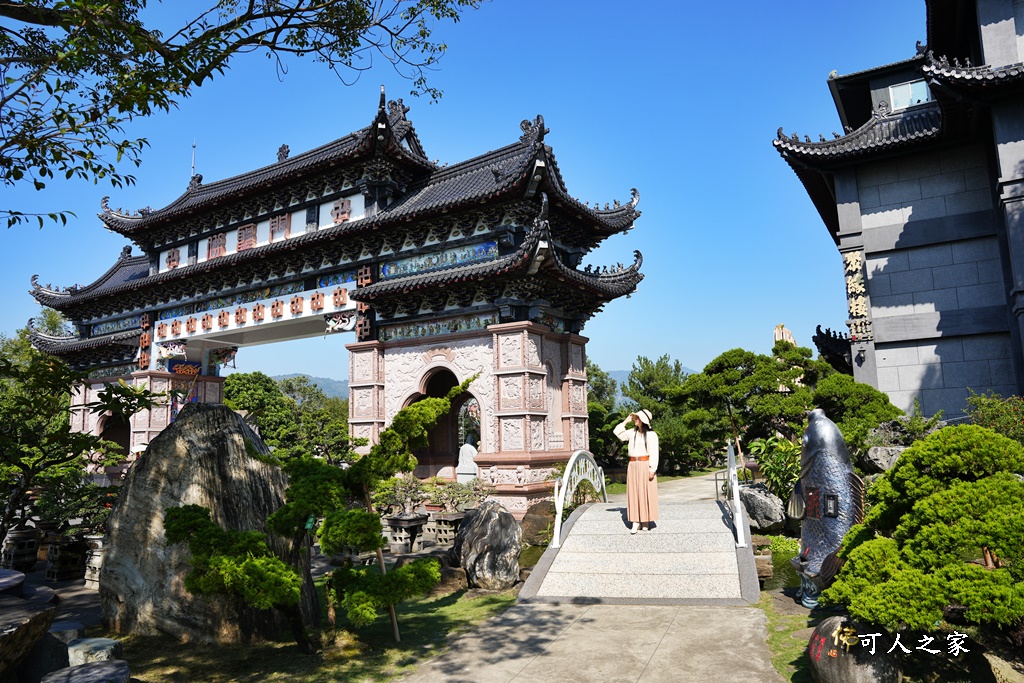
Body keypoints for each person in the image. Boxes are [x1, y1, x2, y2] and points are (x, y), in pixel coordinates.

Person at [614, 409, 659, 534]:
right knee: (634, 493)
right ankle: (635, 521)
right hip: (633, 465)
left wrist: (652, 469)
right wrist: (626, 421)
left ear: (643, 421)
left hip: (645, 464)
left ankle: (645, 521)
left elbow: (654, 453)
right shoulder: (631, 433)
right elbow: (618, 432)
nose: (635, 419)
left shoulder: (651, 435)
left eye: (637, 418)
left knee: (645, 492)